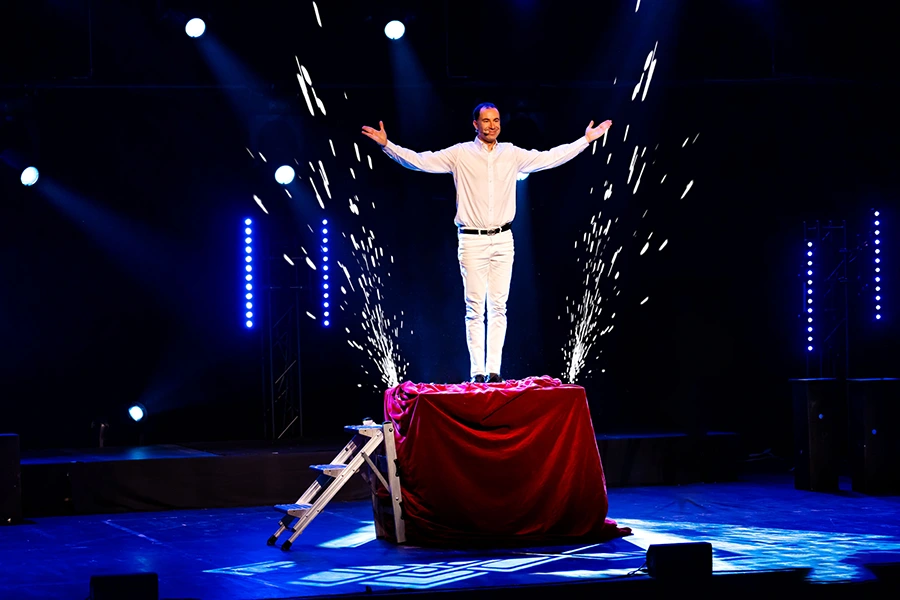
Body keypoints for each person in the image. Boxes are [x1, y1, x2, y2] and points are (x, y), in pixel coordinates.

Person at [362, 102, 612, 384]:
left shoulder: (511, 154)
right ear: (475, 125)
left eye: (496, 120)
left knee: (498, 306)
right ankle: (476, 372)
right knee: (474, 308)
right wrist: (387, 146)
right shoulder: (460, 154)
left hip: (504, 239)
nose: (492, 125)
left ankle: (493, 371)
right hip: (472, 240)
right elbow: (421, 161)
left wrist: (585, 140)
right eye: (486, 120)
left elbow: (550, 157)